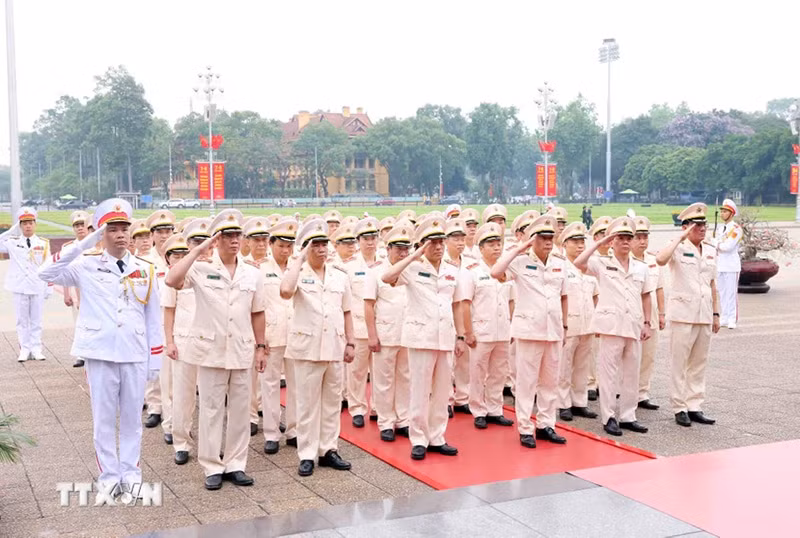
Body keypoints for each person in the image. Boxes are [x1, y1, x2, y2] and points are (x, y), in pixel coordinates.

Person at [38, 199, 163, 499]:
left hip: (133, 352)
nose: (120, 235)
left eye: (124, 229)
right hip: (101, 352)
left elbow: (153, 317)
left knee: (132, 419)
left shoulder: (144, 269)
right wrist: (85, 244)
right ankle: (108, 475)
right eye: (113, 229)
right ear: (102, 234)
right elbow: (46, 273)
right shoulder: (85, 264)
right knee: (104, 419)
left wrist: (154, 358)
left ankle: (131, 474)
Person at [165, 209, 267, 491]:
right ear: (217, 240)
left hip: (242, 349)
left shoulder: (252, 273)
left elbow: (258, 312)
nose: (234, 241)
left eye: (238, 235)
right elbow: (172, 280)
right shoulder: (201, 269)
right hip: (210, 351)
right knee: (210, 409)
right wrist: (198, 250)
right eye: (228, 236)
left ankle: (236, 463)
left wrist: (261, 347)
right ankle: (211, 465)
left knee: (239, 409)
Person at [381, 217, 468, 461]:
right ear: (422, 245)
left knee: (442, 391)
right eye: (433, 243)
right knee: (419, 390)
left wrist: (460, 336)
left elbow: (458, 305)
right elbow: (387, 277)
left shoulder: (452, 270)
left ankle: (437, 437)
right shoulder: (411, 268)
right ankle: (418, 438)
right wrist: (413, 255)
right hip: (420, 337)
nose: (439, 247)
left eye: (441, 242)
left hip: (445, 337)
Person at [280, 217, 356, 477]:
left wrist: (351, 342)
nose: (322, 249)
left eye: (324, 244)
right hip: (307, 348)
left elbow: (347, 311)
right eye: (315, 245)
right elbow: (285, 291)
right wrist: (298, 260)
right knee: (307, 404)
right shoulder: (298, 274)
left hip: (334, 345)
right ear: (305, 248)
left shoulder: (338, 275)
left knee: (332, 402)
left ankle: (328, 449)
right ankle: (307, 453)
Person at [491, 215, 568, 449]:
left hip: (553, 330)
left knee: (550, 382)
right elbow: (496, 271)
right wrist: (520, 248)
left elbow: (563, 296)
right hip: (529, 331)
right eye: (543, 238)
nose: (548, 242)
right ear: (533, 240)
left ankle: (546, 425)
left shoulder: (559, 263)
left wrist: (564, 325)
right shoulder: (521, 261)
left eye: (550, 238)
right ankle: (525, 427)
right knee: (526, 384)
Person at [574, 217, 653, 437]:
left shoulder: (640, 267)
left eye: (629, 238)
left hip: (634, 324)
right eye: (620, 238)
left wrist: (647, 322)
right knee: (607, 374)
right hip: (611, 325)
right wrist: (600, 243)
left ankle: (628, 415)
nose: (626, 242)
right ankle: (608, 416)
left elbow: (646, 295)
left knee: (632, 373)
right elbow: (579, 263)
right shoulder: (602, 262)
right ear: (612, 241)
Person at [656, 203, 720, 428]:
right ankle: (679, 407)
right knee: (679, 363)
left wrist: (716, 313)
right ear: (686, 226)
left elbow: (713, 284)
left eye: (704, 224)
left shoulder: (710, 249)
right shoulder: (677, 247)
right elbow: (660, 260)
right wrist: (680, 237)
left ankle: (694, 405)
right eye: (697, 225)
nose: (703, 228)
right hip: (683, 314)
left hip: (703, 313)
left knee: (699, 362)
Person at [162, 218, 211, 466]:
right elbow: (169, 310)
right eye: (196, 242)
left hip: (211, 343)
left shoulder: (217, 269)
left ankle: (210, 447)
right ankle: (181, 443)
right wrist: (169, 341)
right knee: (183, 396)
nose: (202, 247)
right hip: (183, 341)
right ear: (189, 243)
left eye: (205, 242)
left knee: (211, 399)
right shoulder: (181, 269)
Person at [456, 222, 515, 430]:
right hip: (481, 330)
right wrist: (467, 332)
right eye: (491, 244)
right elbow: (465, 303)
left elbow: (511, 301)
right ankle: (478, 410)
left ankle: (495, 409)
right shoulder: (471, 271)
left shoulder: (506, 270)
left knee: (499, 371)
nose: (496, 248)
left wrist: (512, 324)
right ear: (481, 248)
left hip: (502, 329)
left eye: (498, 243)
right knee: (478, 372)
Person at [364, 223, 412, 442]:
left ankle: (403, 419)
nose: (403, 253)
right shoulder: (375, 272)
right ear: (389, 248)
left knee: (405, 378)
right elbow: (368, 305)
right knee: (383, 381)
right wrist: (372, 335)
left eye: (406, 249)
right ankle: (385, 422)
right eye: (399, 248)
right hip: (385, 334)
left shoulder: (412, 271)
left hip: (408, 333)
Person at [255, 217, 298, 455]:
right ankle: (271, 433)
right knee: (269, 385)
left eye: (289, 245)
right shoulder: (261, 270)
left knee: (297, 386)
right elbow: (257, 306)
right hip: (271, 335)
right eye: (281, 245)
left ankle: (294, 430)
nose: (286, 250)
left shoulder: (298, 268)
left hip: (296, 334)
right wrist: (259, 340)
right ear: (271, 244)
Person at [556, 222, 599, 422]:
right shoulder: (560, 266)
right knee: (564, 366)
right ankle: (563, 403)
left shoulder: (589, 267)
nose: (580, 246)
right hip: (569, 324)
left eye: (582, 241)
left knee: (582, 365)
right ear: (565, 244)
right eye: (575, 242)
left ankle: (579, 402)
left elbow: (596, 296)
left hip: (587, 323)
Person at [345, 218, 383, 426]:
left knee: (380, 371)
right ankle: (357, 408)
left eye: (373, 238)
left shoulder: (384, 263)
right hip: (359, 326)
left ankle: (378, 407)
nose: (370, 242)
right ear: (358, 241)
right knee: (357, 371)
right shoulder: (349, 267)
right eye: (366, 239)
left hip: (381, 326)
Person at [1, 207, 51, 362]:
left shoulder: (43, 243)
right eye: (24, 223)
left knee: (36, 320)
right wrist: (13, 229)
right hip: (19, 286)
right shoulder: (13, 242)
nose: (28, 226)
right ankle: (24, 349)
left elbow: (49, 266)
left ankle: (36, 349)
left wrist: (49, 287)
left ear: (35, 224)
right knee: (22, 320)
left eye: (30, 223)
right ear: (20, 225)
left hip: (37, 285)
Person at [142, 210, 176, 430]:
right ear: (152, 235)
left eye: (168, 231)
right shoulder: (144, 261)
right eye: (160, 232)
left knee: (173, 373)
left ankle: (173, 413)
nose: (165, 236)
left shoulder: (179, 256)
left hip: (175, 320)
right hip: (153, 320)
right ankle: (155, 407)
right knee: (154, 368)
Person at [631, 216, 667, 411]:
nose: (643, 241)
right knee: (628, 357)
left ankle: (642, 393)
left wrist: (662, 313)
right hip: (630, 314)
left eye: (646, 237)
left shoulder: (653, 260)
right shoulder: (623, 259)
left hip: (650, 314)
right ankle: (626, 391)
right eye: (639, 237)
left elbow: (659, 288)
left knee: (648, 355)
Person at [244, 218, 272, 437]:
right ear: (248, 241)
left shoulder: (277, 265)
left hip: (277, 326)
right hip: (252, 328)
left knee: (272, 378)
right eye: (257, 240)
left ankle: (269, 413)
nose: (261, 244)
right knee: (251, 378)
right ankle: (251, 416)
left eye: (264, 240)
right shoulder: (243, 265)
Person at [444, 218, 471, 415]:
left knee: (465, 360)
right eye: (455, 239)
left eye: (462, 239)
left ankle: (463, 397)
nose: (460, 242)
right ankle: (446, 399)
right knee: (446, 364)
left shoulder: (470, 262)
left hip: (467, 316)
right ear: (446, 240)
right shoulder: (441, 262)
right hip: (446, 317)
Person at [585, 215, 613, 401]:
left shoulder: (616, 257)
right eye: (601, 234)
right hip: (594, 308)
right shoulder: (590, 260)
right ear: (595, 237)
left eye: (608, 234)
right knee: (592, 350)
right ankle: (589, 383)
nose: (606, 238)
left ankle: (607, 384)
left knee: (610, 353)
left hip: (613, 310)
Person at [63, 210, 91, 367]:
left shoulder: (96, 244)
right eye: (77, 225)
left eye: (83, 225)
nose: (80, 228)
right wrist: (67, 294)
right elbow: (65, 271)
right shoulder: (69, 247)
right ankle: (81, 354)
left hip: (93, 289)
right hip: (76, 290)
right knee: (79, 321)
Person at [713, 199, 742, 329]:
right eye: (722, 211)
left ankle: (732, 318)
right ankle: (724, 317)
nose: (722, 214)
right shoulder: (720, 228)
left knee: (731, 293)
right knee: (723, 293)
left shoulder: (736, 229)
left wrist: (715, 244)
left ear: (732, 213)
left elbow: (728, 247)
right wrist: (717, 244)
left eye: (725, 211)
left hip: (731, 265)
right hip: (720, 264)